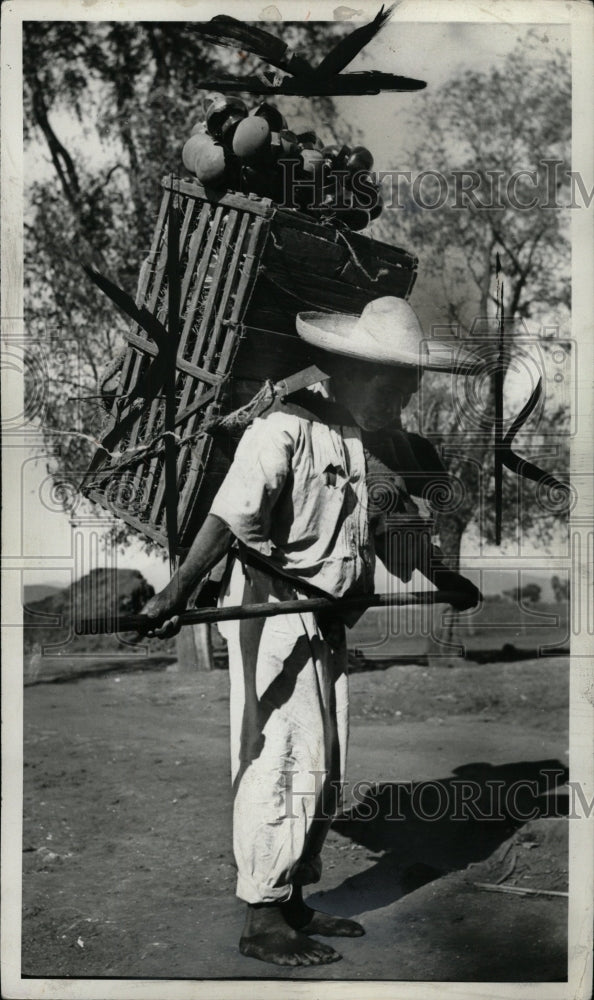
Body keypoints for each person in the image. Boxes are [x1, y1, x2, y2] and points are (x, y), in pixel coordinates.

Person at [141, 296, 482, 967]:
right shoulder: (286, 426)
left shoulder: (368, 448)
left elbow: (389, 537)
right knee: (281, 755)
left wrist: (443, 580)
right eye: (398, 386)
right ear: (358, 370)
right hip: (272, 610)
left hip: (325, 620)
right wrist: (173, 597)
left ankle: (291, 897)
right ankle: (261, 917)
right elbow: (229, 516)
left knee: (325, 760)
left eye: (410, 388)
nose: (405, 401)